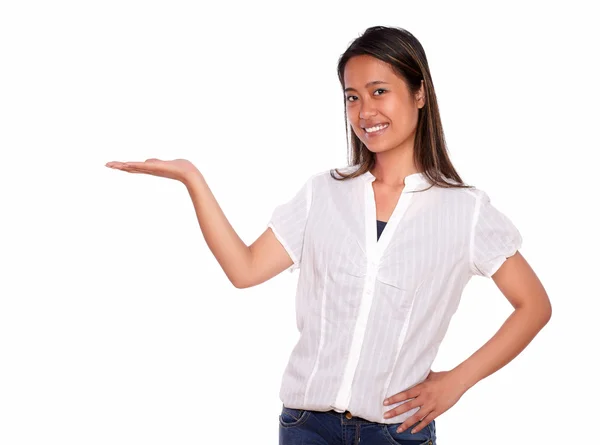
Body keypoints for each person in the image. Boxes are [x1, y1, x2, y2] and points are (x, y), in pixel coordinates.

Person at [105, 26, 552, 445]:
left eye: (380, 91)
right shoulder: (324, 193)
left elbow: (534, 306)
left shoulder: (465, 210)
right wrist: (192, 178)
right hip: (305, 426)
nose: (365, 111)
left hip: (396, 431)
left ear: (419, 94)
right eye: (352, 97)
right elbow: (244, 270)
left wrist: (457, 382)